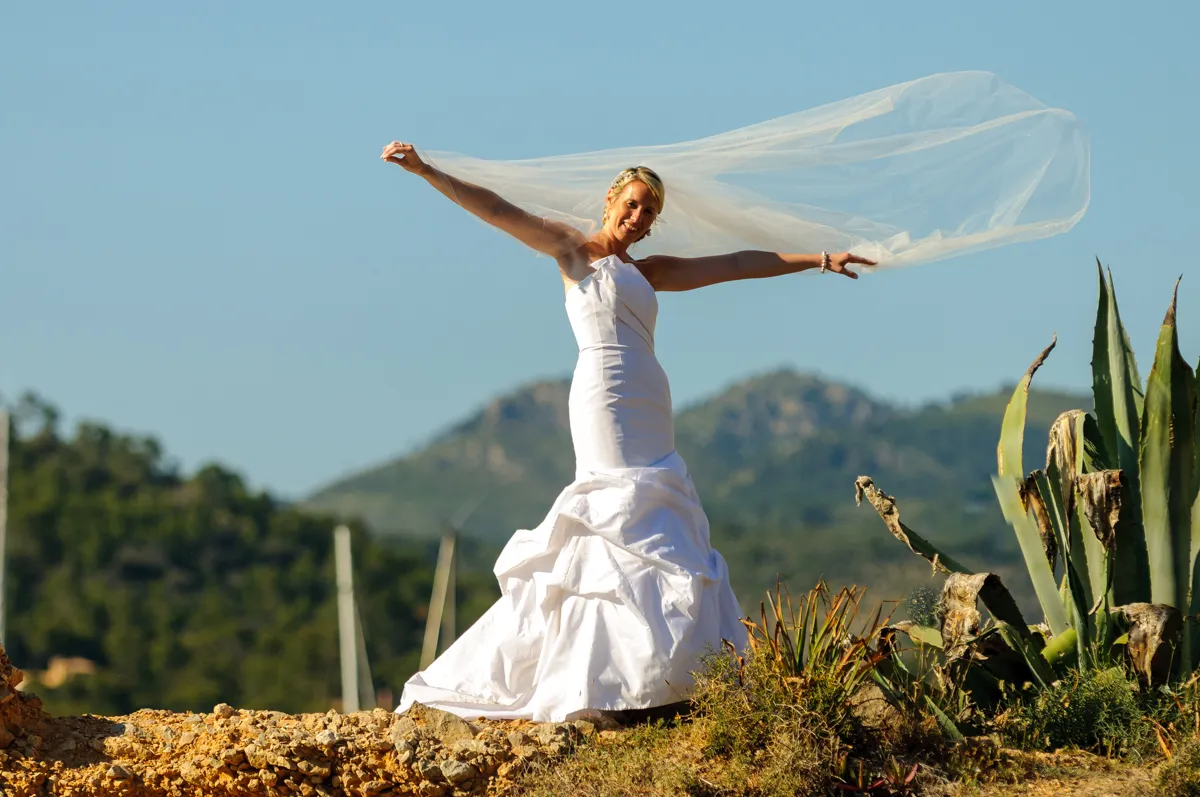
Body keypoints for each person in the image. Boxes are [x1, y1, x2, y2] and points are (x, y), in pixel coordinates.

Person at [381, 141, 876, 723]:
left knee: (661, 521)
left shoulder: (650, 272)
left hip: (650, 399)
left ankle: (660, 682)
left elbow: (737, 264)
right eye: (633, 204)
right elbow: (496, 210)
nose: (638, 218)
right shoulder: (573, 251)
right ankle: (599, 688)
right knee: (615, 515)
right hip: (603, 396)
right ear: (611, 199)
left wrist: (817, 258)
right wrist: (426, 171)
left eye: (649, 213)